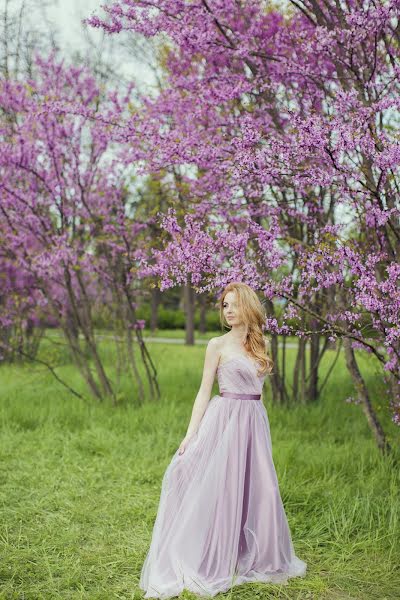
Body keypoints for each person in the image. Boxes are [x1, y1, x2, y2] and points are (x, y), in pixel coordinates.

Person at [139, 282, 307, 598]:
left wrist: (258, 425)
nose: (228, 310)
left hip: (254, 422)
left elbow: (259, 391)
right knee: (222, 488)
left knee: (263, 488)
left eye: (233, 304)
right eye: (224, 306)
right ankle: (207, 552)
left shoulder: (261, 344)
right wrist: (191, 435)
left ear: (248, 307)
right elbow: (204, 391)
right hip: (226, 420)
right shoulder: (217, 344)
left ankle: (263, 557)